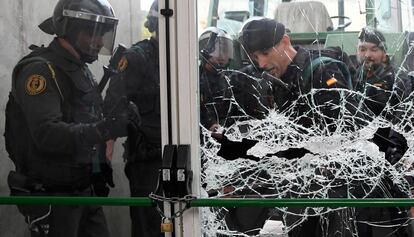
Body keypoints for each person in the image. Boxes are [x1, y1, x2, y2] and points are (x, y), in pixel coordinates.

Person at [3, 0, 138, 237]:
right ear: (70, 29)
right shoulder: (41, 70)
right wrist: (102, 130)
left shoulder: (78, 67)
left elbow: (84, 118)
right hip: (55, 195)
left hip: (84, 190)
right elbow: (47, 134)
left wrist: (117, 120)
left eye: (102, 33)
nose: (99, 41)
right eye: (92, 33)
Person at [104, 1, 162, 236]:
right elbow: (113, 105)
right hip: (146, 161)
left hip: (181, 158)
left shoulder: (185, 59)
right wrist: (107, 149)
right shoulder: (136, 57)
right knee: (147, 224)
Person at [353, 27, 412, 237]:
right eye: (362, 49)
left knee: (395, 212)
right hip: (359, 155)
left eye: (374, 49)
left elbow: (403, 120)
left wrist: (392, 154)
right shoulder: (354, 76)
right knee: (359, 214)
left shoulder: (398, 79)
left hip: (389, 152)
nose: (367, 54)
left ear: (384, 53)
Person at [199, 27, 235, 131]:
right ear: (205, 51)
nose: (223, 56)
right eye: (217, 51)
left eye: (226, 50)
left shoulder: (233, 78)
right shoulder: (194, 79)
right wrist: (210, 123)